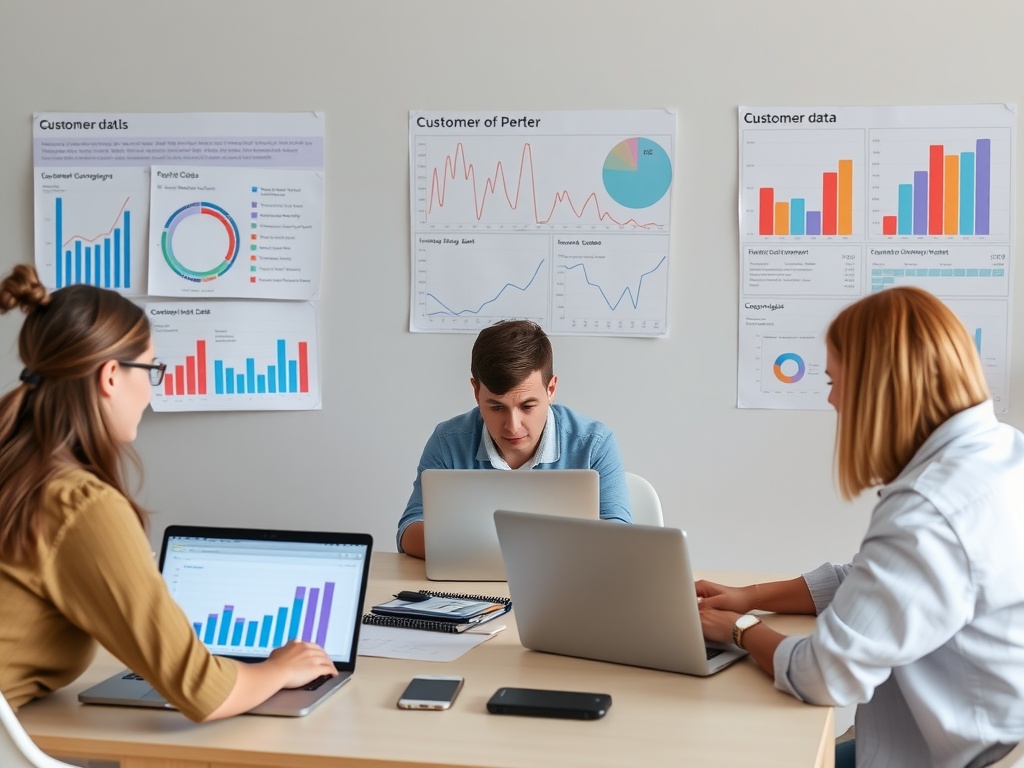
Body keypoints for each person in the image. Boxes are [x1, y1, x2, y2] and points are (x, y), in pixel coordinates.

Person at [697, 286, 1024, 768]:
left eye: (833, 380)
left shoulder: (929, 509)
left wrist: (739, 630)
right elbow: (879, 581)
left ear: (876, 385)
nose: (830, 399)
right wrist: (752, 595)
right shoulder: (1001, 452)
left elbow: (824, 675)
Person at [0, 264, 336, 722]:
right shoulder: (76, 503)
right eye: (152, 368)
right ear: (112, 376)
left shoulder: (18, 473)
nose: (151, 390)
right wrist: (278, 669)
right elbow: (203, 692)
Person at [398, 319, 630, 557]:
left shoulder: (594, 443)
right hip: (467, 589)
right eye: (497, 408)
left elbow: (621, 536)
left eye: (527, 406)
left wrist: (492, 543)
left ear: (550, 390)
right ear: (477, 392)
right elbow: (408, 531)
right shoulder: (448, 441)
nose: (512, 426)